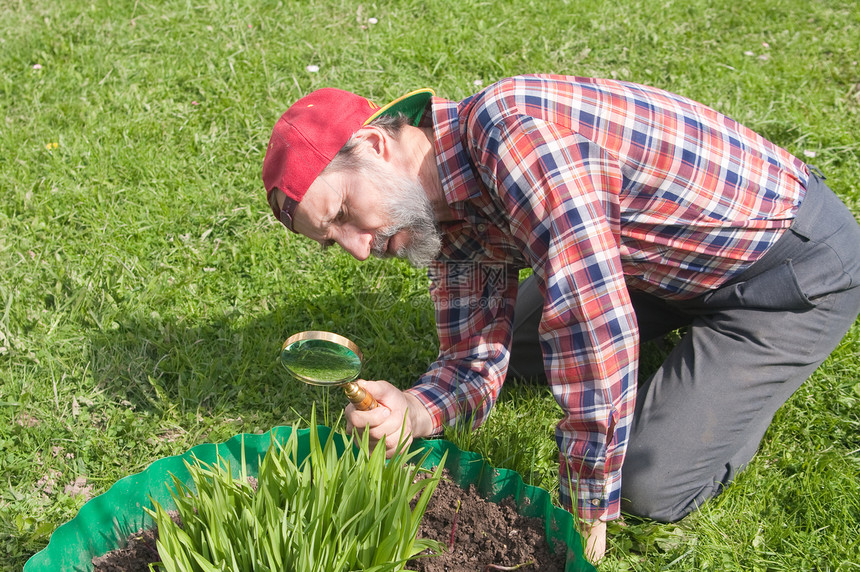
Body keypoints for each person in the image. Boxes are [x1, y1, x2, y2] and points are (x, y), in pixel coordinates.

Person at [262, 75, 860, 562]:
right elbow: (473, 354)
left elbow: (590, 318)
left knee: (644, 482)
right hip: (650, 267)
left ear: (374, 144)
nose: (359, 248)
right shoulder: (433, 210)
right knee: (527, 347)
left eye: (343, 210)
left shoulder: (511, 137)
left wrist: (587, 496)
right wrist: (417, 409)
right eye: (332, 240)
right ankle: (678, 345)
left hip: (782, 269)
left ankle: (735, 389)